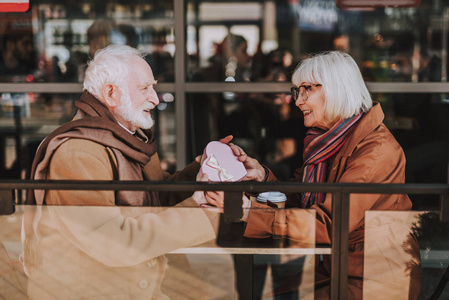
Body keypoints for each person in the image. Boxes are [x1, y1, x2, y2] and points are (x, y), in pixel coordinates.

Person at [208, 51, 421, 299]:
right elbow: (303, 198)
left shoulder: (374, 150)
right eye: (297, 90)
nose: (298, 101)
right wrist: (263, 178)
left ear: (338, 89)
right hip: (338, 267)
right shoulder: (329, 140)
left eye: (307, 89)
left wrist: (249, 213)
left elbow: (329, 225)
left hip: (374, 277)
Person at [23, 44, 228, 299]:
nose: (155, 98)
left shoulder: (129, 137)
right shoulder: (77, 153)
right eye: (145, 89)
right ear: (111, 93)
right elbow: (112, 243)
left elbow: (156, 197)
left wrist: (203, 170)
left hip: (135, 285)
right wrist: (196, 209)